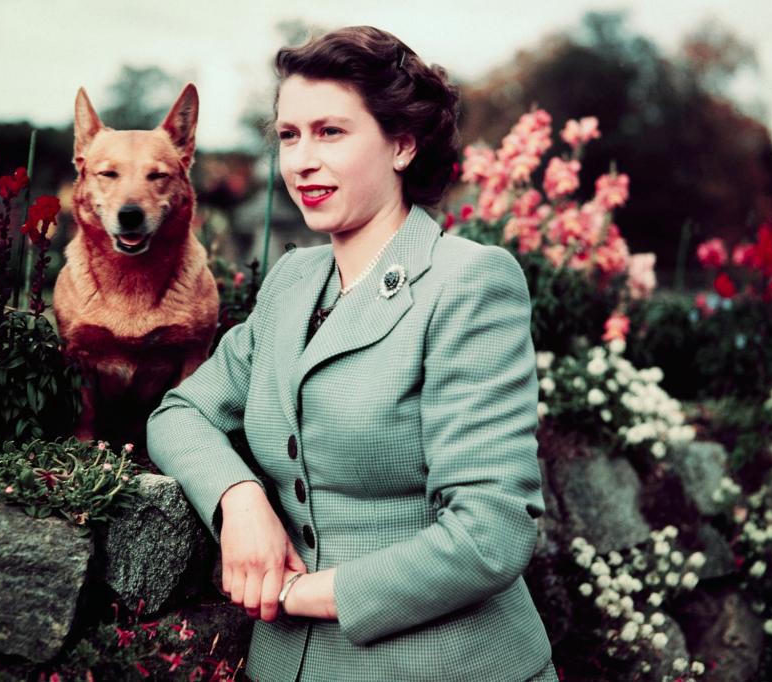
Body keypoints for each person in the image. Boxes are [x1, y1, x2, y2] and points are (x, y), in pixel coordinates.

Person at [146, 25, 558, 682]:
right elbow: (178, 413)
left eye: (330, 132)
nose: (301, 160)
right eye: (288, 135)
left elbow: (492, 532)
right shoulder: (291, 282)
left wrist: (298, 594)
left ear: (400, 144)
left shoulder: (469, 281)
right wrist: (241, 498)